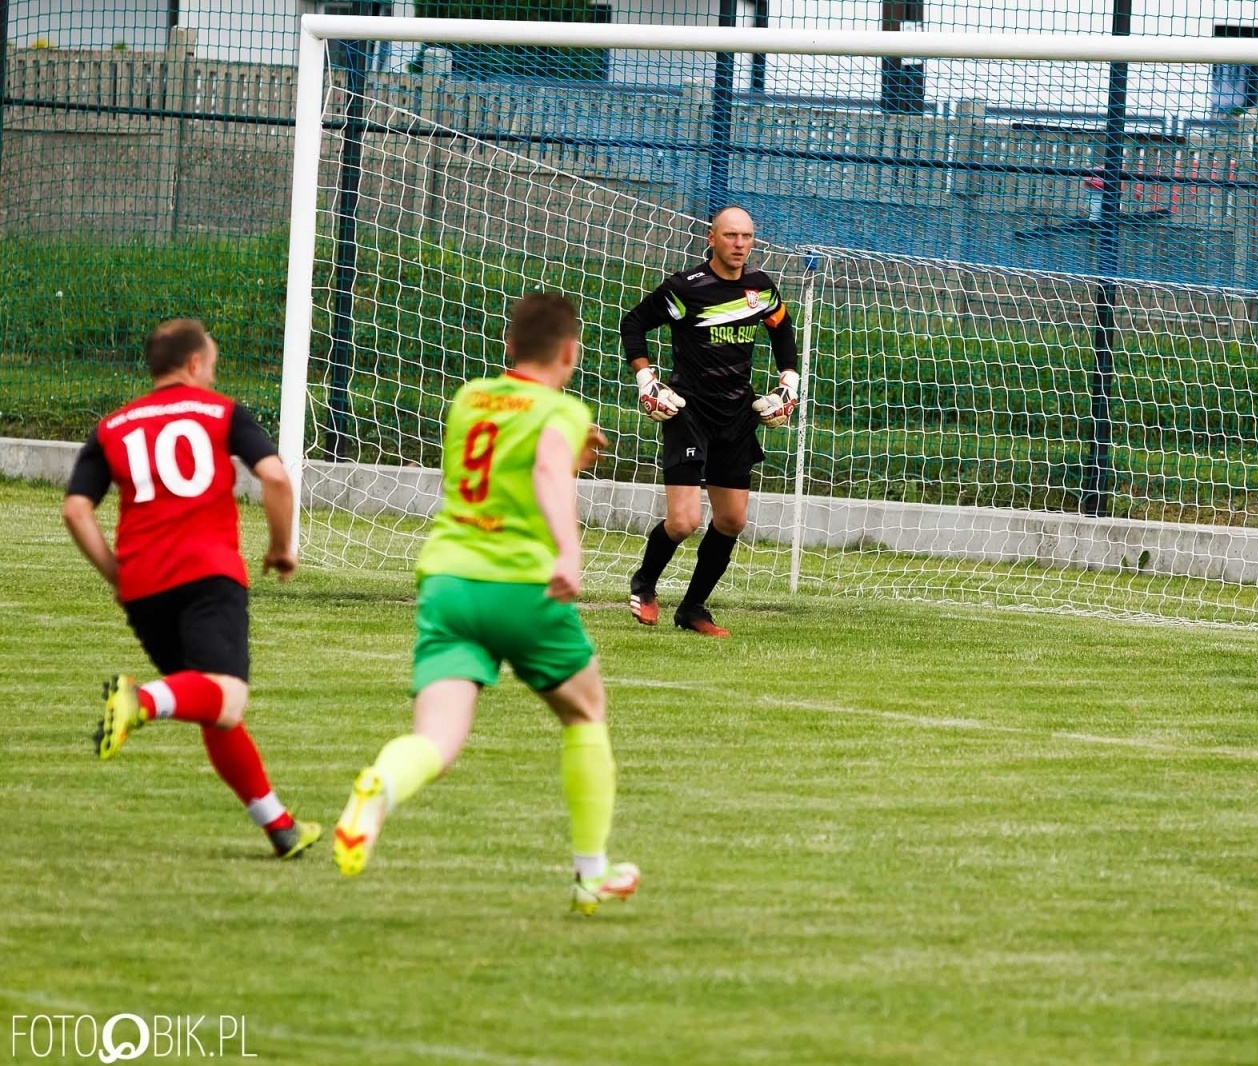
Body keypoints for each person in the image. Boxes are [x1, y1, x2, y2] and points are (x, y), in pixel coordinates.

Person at [331, 292, 638, 916]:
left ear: (508, 348)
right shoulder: (562, 409)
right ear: (571, 353)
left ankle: (379, 789)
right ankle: (590, 875)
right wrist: (569, 551)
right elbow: (547, 471)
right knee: (585, 714)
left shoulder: (470, 397)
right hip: (520, 585)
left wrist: (566, 450)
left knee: (436, 740)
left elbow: (509, 459)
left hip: (448, 582)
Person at [62, 318, 320, 859]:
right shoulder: (221, 412)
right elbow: (273, 476)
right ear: (196, 364)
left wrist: (115, 572)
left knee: (212, 702)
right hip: (207, 575)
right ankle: (141, 700)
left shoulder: (113, 425)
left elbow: (76, 508)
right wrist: (280, 546)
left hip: (144, 587)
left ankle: (280, 826)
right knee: (223, 698)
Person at [621, 205, 800, 638]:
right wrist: (647, 379)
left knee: (732, 521)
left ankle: (694, 608)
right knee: (683, 522)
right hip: (689, 412)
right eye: (731, 236)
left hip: (737, 416)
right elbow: (634, 323)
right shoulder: (686, 288)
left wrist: (788, 383)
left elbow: (782, 331)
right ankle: (644, 584)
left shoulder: (761, 289)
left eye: (747, 237)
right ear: (712, 238)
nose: (739, 244)